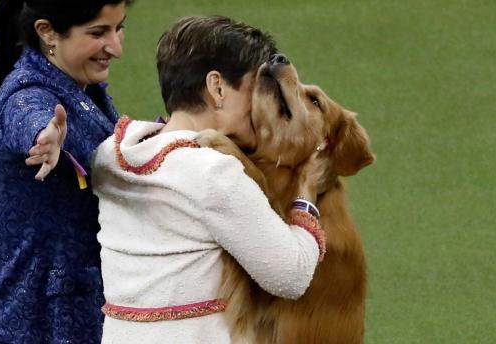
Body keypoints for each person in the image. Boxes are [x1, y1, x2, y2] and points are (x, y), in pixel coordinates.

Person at [92, 16, 326, 343]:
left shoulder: (110, 154)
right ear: (217, 87)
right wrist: (307, 193)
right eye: (257, 88)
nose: (263, 103)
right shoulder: (213, 174)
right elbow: (292, 275)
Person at [0, 0, 132, 343]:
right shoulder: (25, 93)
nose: (116, 47)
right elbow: (29, 114)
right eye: (99, 32)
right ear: (47, 33)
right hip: (28, 329)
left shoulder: (85, 86)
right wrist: (45, 136)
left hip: (77, 317)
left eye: (119, 28)